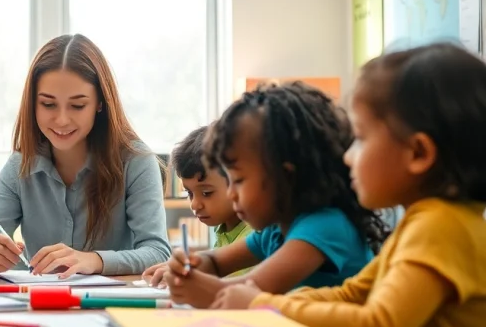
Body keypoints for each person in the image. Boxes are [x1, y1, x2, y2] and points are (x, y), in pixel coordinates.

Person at [213, 43, 486, 327]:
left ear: (418, 154)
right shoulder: (425, 221)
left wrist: (265, 307)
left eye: (360, 138)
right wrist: (272, 304)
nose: (347, 155)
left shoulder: (441, 226)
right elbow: (353, 294)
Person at [159, 82, 387, 308]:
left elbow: (249, 292)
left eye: (238, 181)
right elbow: (216, 262)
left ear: (285, 177)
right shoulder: (273, 231)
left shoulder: (325, 225)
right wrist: (189, 265)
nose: (231, 194)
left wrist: (196, 286)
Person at [0, 34, 170, 278]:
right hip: (43, 306)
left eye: (77, 106)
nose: (61, 120)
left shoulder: (136, 161)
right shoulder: (19, 165)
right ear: (33, 103)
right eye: (48, 104)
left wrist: (93, 260)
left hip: (114, 307)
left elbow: (158, 253)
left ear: (100, 103)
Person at [143, 123, 252, 286]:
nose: (194, 204)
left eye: (207, 193)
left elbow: (241, 288)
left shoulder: (256, 232)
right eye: (189, 193)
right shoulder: (224, 227)